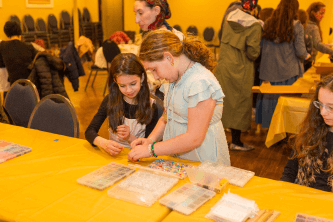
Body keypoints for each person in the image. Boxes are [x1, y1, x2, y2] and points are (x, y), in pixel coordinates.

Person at [129, 30, 230, 165]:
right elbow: (167, 117)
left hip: (203, 159)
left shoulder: (200, 82)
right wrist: (150, 140)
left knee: (199, 185)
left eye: (154, 69)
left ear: (168, 58)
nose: (156, 77)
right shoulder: (174, 78)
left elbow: (194, 138)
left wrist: (151, 150)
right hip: (179, 155)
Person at [85, 53, 159, 155]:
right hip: (115, 156)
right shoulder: (110, 100)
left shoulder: (151, 106)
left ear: (142, 78)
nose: (128, 90)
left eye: (133, 84)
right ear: (115, 81)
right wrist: (104, 143)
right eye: (122, 85)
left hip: (139, 156)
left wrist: (129, 137)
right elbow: (90, 131)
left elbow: (148, 146)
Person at [214, 0, 262, 151]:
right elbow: (253, 52)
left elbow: (221, 37)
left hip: (224, 66)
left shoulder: (229, 17)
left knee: (222, 103)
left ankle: (219, 140)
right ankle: (237, 142)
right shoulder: (254, 25)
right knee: (240, 105)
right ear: (254, 7)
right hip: (242, 69)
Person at [255, 0, 309, 130]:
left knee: (269, 101)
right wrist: (307, 56)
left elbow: (261, 47)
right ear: (294, 10)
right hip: (287, 71)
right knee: (285, 104)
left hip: (268, 71)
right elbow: (301, 51)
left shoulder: (268, 23)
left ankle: (270, 130)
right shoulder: (296, 25)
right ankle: (283, 131)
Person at [281, 74, 333, 192]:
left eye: (331, 107)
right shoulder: (312, 128)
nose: (323, 112)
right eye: (320, 104)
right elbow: (290, 170)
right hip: (301, 198)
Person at [0, 21, 37, 85]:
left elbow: (1, 64)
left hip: (14, 85)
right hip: (30, 84)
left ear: (6, 33)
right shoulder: (29, 46)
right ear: (20, 32)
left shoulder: (2, 46)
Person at [305, 2, 333, 71]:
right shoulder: (313, 27)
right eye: (321, 13)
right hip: (307, 61)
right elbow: (317, 45)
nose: (322, 16)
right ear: (313, 13)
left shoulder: (306, 23)